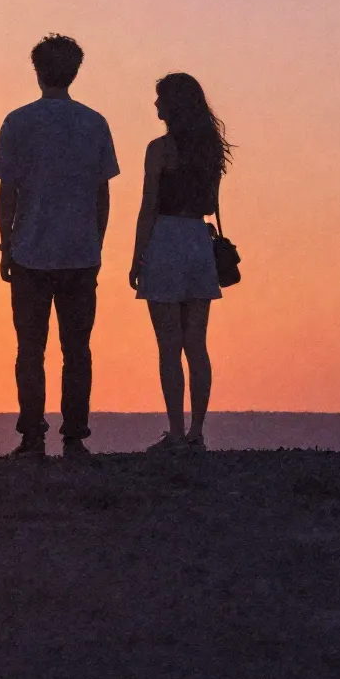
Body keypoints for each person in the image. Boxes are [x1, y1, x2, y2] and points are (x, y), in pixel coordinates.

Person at [0, 34, 120, 460]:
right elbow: (102, 193)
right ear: (74, 72)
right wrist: (97, 242)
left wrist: (6, 244)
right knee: (77, 350)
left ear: (37, 72)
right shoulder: (94, 123)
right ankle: (74, 437)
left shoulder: (18, 122)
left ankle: (32, 436)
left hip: (30, 249)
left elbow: (8, 190)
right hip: (80, 252)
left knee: (30, 349)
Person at [128, 72, 232, 452]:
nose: (156, 104)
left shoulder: (159, 149)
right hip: (197, 241)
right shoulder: (210, 152)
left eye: (160, 98)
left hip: (166, 241)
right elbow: (210, 202)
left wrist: (137, 257)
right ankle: (197, 432)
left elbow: (149, 206)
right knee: (197, 344)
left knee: (169, 345)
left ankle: (175, 431)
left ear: (172, 104)